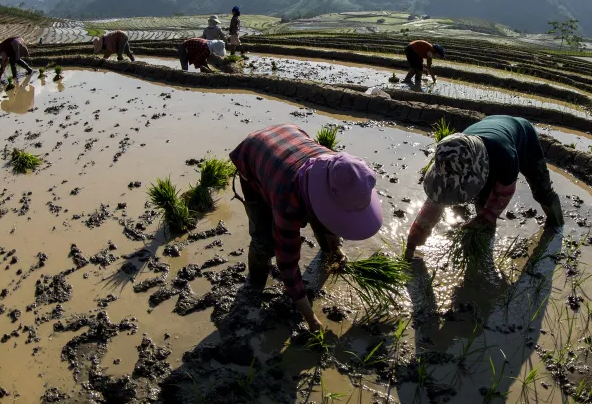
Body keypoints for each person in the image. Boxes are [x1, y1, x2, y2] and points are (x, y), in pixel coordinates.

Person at [230, 124, 383, 332]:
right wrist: (310, 318)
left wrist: (334, 248)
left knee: (324, 217)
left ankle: (331, 250)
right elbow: (288, 264)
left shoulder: (341, 171)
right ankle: (254, 283)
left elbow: (333, 214)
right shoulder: (287, 202)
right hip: (254, 154)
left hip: (290, 135)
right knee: (263, 238)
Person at [403, 115, 565, 262]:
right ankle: (483, 246)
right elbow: (435, 202)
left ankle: (557, 226)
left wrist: (486, 218)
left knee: (541, 190)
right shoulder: (452, 155)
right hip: (489, 134)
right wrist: (413, 240)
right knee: (482, 199)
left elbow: (503, 194)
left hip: (523, 137)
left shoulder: (505, 156)